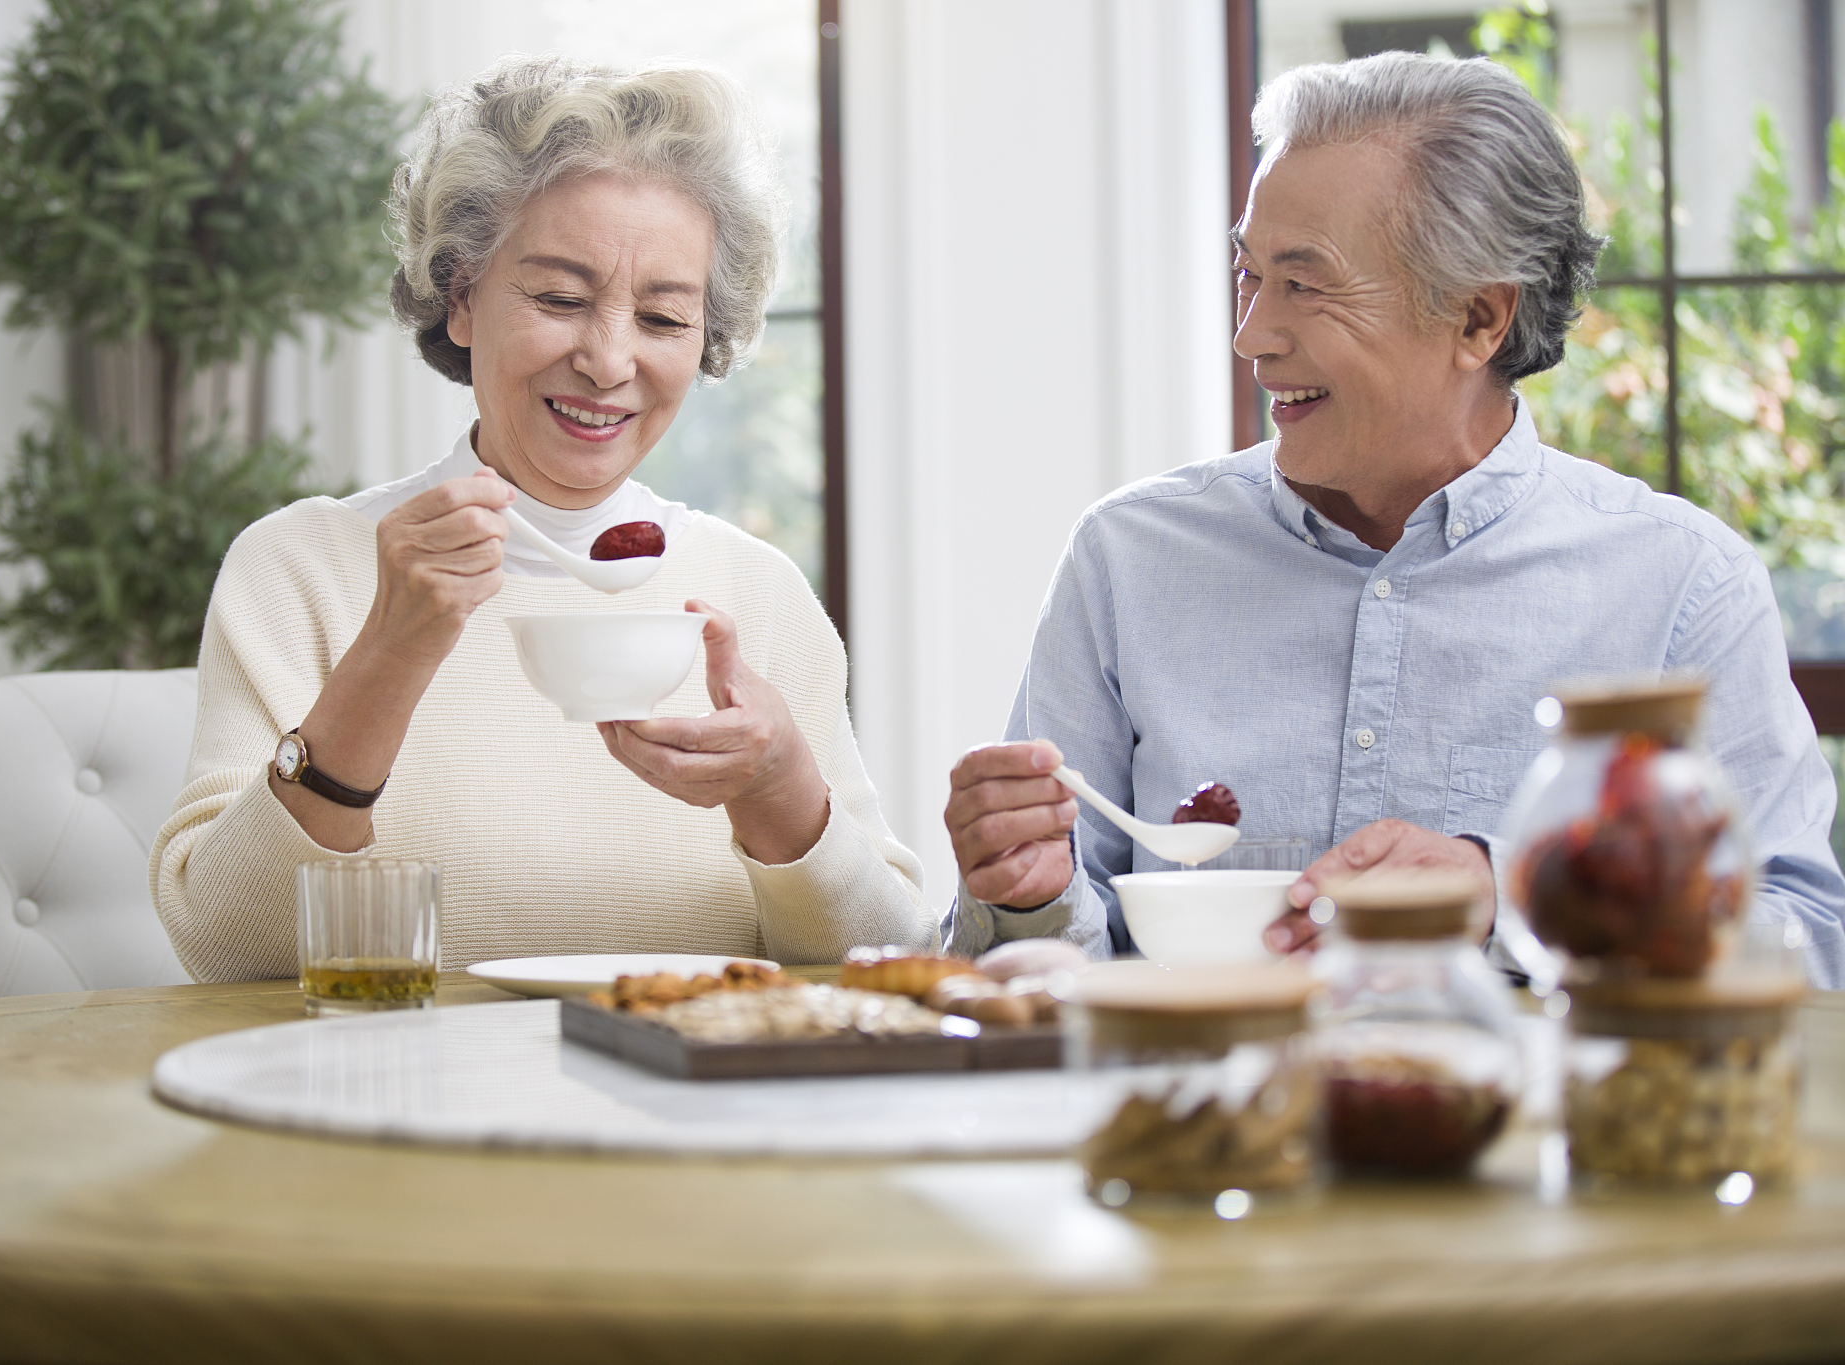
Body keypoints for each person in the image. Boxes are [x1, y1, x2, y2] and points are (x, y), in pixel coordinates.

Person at [941, 51, 1845, 988]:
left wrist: (1514, 893)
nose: (1252, 334)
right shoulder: (1126, 562)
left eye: (1305, 283)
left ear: (1478, 321)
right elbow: (1026, 982)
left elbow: (1810, 942)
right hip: (1194, 1127)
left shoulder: (1681, 586)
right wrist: (1025, 900)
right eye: (1248, 274)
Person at [151, 57, 929, 980]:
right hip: (390, 1104)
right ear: (463, 296)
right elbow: (226, 952)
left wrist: (781, 789)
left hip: (691, 1109)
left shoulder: (755, 594)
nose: (607, 360)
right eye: (560, 298)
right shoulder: (301, 568)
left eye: (663, 318)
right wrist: (391, 653)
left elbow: (890, 962)